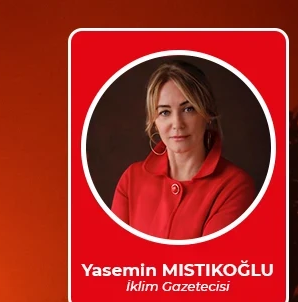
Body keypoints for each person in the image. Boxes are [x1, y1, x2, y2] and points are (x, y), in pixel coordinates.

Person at [110, 61, 256, 240]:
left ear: (207, 114)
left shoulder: (235, 186)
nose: (177, 124)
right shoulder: (131, 179)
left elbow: (209, 265)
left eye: (188, 109)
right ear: (154, 121)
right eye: (164, 112)